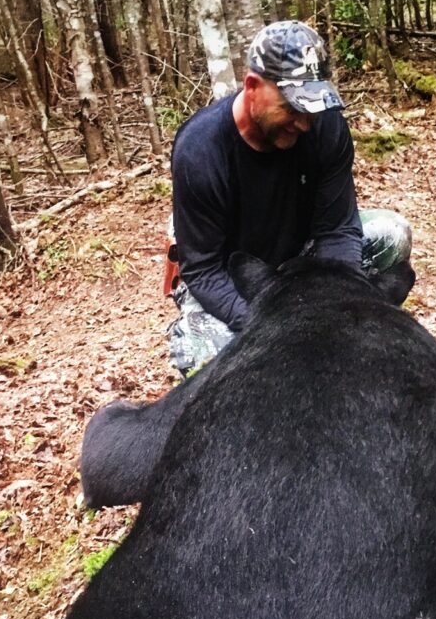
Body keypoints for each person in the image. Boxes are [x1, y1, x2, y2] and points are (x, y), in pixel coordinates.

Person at [167, 20, 413, 376]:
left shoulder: (324, 126)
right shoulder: (201, 150)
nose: (304, 123)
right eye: (293, 108)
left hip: (300, 260)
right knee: (201, 358)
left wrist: (334, 307)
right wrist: (271, 324)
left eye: (312, 109)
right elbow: (203, 271)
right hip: (231, 276)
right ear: (253, 86)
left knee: (392, 233)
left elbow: (337, 230)